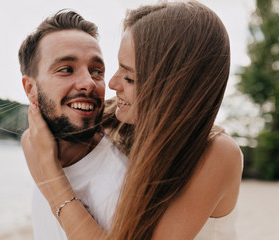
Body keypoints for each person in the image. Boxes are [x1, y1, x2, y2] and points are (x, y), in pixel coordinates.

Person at [22, 1, 244, 239]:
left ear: (171, 88)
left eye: (129, 78)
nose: (112, 84)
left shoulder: (216, 153)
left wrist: (50, 175)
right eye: (116, 69)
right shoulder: (119, 126)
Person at [18, 11, 128, 239]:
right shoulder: (37, 149)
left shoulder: (121, 183)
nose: (89, 83)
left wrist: (47, 166)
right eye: (66, 69)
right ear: (30, 89)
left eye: (97, 71)